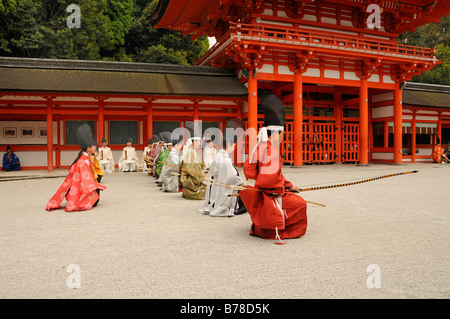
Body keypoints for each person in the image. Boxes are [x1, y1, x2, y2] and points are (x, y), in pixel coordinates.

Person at [239, 91, 307, 244]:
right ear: (275, 133)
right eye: (283, 133)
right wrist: (282, 190)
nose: (283, 137)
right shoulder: (270, 151)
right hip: (264, 195)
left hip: (254, 191)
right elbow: (268, 180)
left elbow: (271, 176)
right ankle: (276, 230)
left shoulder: (260, 147)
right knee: (300, 203)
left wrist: (289, 185)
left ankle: (264, 227)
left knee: (295, 199)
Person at [46, 124, 106, 212]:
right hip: (80, 187)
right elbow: (86, 180)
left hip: (81, 185)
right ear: (88, 148)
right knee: (95, 198)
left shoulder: (86, 158)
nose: (95, 148)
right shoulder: (83, 161)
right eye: (94, 146)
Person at [200, 119, 247, 217]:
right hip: (223, 187)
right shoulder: (225, 159)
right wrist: (241, 182)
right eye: (234, 145)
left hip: (217, 185)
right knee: (241, 188)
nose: (234, 148)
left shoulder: (219, 154)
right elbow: (232, 177)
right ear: (229, 144)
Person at [180, 122, 206, 200]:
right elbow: (196, 175)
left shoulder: (190, 151)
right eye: (198, 141)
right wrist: (203, 177)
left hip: (188, 183)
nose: (199, 143)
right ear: (194, 142)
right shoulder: (191, 153)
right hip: (192, 185)